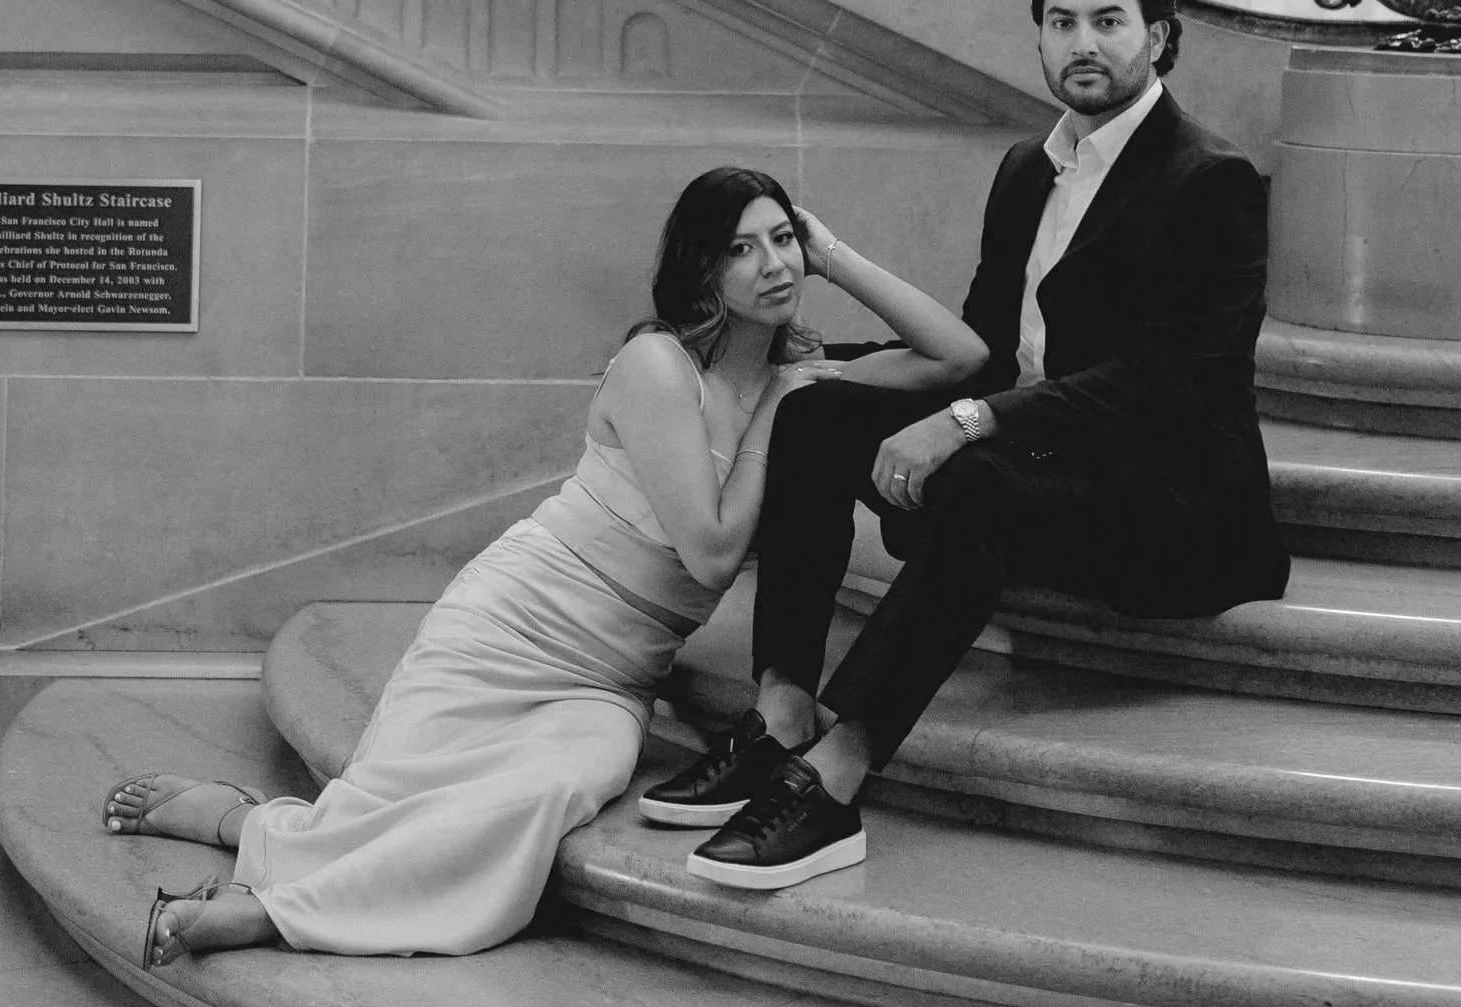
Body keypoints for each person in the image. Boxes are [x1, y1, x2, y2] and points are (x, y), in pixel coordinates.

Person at [105, 164, 986, 963]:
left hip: (611, 680)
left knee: (533, 801)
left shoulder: (806, 373)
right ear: (703, 271)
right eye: (741, 249)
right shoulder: (658, 365)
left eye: (783, 241)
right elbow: (713, 554)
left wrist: (834, 254)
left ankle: (268, 884)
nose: (772, 265)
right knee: (388, 793)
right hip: (512, 623)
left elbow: (963, 357)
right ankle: (252, 846)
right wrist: (778, 411)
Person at [652, 0, 1289, 895]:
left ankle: (836, 777)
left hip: (1169, 499)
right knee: (819, 414)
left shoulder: (1211, 181)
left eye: (1110, 22)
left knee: (981, 477)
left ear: (1159, 38)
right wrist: (842, 369)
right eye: (1062, 22)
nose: (1085, 42)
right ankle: (781, 706)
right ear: (1038, 38)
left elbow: (1168, 383)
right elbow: (988, 341)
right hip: (1044, 457)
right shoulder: (1027, 169)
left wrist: (970, 422)